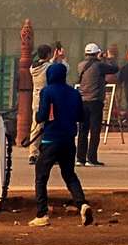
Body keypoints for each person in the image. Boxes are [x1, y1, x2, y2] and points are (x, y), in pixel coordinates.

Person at [30, 55, 88, 216]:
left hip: (50, 140)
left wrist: (39, 117)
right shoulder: (74, 93)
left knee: (41, 176)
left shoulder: (47, 91)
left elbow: (42, 116)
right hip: (69, 140)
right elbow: (80, 117)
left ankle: (42, 213)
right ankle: (82, 204)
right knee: (69, 174)